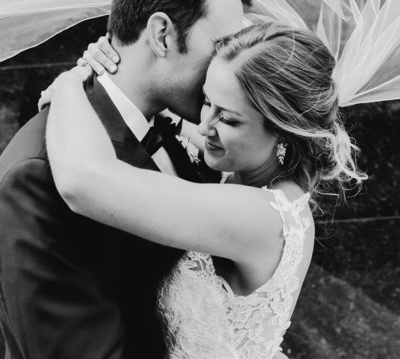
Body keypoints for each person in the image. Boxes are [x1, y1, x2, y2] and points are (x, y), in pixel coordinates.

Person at [45, 21, 366, 359]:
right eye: (206, 101)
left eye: (227, 119)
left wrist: (69, 84)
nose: (203, 125)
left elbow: (83, 184)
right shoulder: (255, 166)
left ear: (285, 131)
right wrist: (110, 66)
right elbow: (169, 108)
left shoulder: (258, 216)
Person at [0, 0, 251, 359]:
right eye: (221, 45)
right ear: (162, 35)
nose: (230, 66)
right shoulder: (41, 173)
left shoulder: (175, 127)